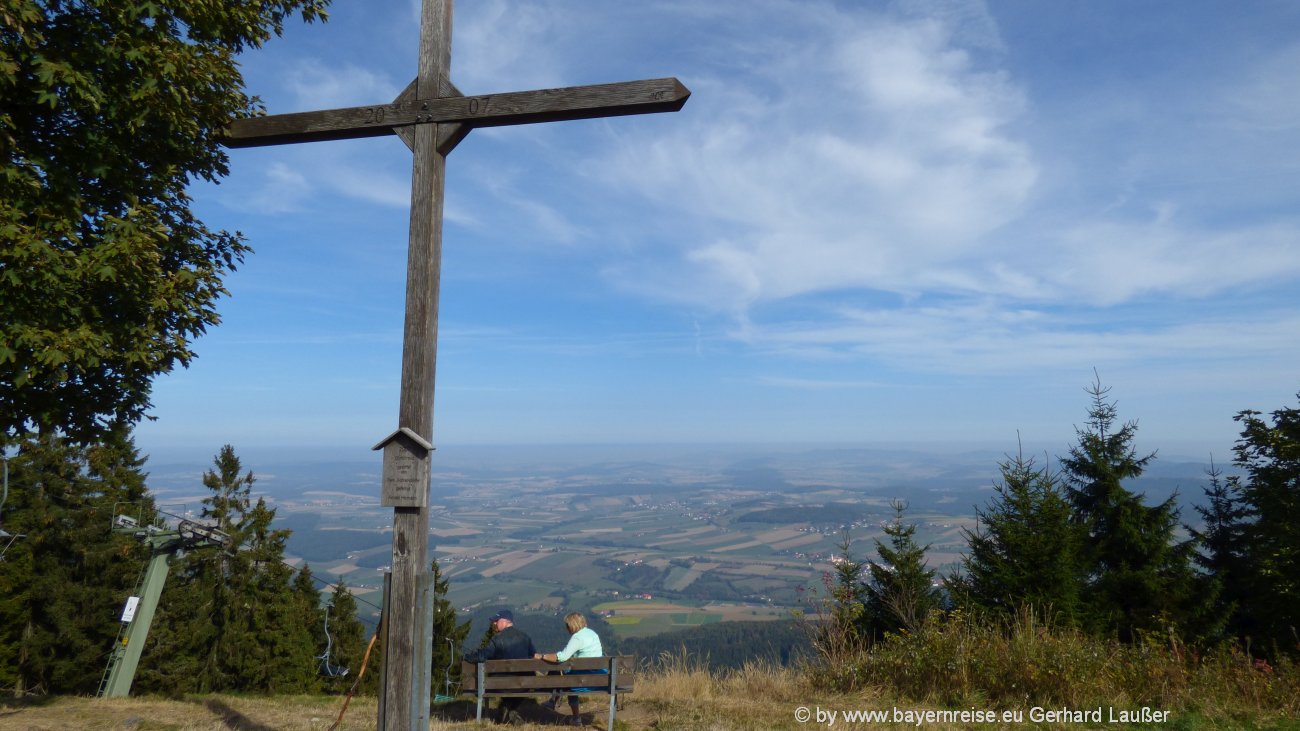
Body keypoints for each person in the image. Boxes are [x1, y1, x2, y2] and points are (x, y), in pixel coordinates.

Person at [464, 608, 535, 724]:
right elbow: (533, 655)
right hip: (523, 684)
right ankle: (511, 708)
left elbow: (482, 656)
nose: (494, 623)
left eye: (497, 621)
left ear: (506, 621)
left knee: (502, 681)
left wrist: (467, 657)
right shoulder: (525, 637)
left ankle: (507, 706)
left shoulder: (497, 639)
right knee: (522, 680)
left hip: (499, 685)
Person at [535, 612, 605, 723]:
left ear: (572, 625)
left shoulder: (577, 638)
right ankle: (552, 702)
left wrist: (542, 656)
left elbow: (562, 657)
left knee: (567, 680)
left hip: (584, 679)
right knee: (564, 674)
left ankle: (576, 718)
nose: (566, 628)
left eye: (567, 625)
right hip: (600, 676)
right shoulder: (592, 633)